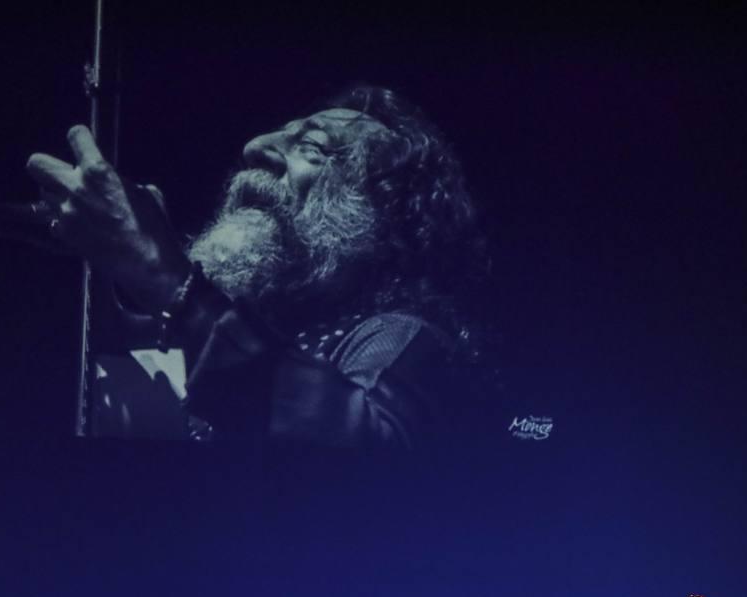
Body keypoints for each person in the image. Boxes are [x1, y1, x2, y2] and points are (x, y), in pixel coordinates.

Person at [27, 83, 486, 449]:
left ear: (383, 213)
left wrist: (162, 273)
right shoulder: (281, 327)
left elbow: (362, 462)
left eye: (311, 147)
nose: (254, 147)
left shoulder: (402, 336)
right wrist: (117, 277)